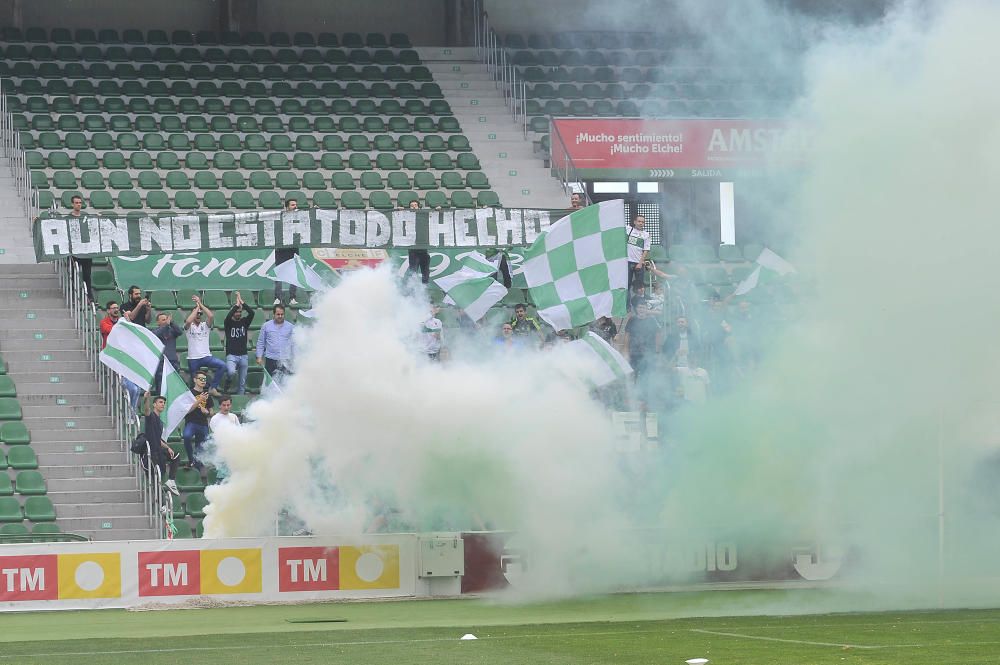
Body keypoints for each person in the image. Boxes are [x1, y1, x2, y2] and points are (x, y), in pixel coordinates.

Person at [100, 300, 141, 410]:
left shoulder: (122, 322)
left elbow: (131, 333)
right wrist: (124, 322)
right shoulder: (104, 322)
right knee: (115, 384)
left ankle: (130, 410)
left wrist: (127, 321)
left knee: (135, 388)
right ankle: (114, 405)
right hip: (110, 357)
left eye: (117, 307)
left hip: (122, 357)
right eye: (113, 308)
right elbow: (112, 331)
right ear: (108, 310)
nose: (116, 309)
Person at [184, 294, 227, 396]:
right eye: (197, 314)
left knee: (222, 365)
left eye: (200, 314)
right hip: (193, 358)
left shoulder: (205, 325)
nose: (199, 315)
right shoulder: (189, 327)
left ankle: (213, 388)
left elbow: (211, 316)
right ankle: (194, 397)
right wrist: (196, 309)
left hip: (206, 356)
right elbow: (189, 320)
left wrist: (200, 304)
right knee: (195, 381)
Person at [142, 392, 179, 496]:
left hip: (159, 450)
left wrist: (168, 448)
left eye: (164, 403)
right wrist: (146, 399)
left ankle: (171, 480)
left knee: (175, 455)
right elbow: (146, 410)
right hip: (151, 453)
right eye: (160, 402)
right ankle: (161, 504)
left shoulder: (160, 421)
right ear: (154, 404)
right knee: (156, 479)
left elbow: (158, 439)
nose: (163, 404)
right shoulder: (151, 416)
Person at [224, 291, 255, 395]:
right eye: (236, 312)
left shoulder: (244, 322)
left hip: (243, 355)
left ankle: (240, 400)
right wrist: (236, 305)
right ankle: (228, 381)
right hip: (231, 355)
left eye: (240, 312)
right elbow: (228, 317)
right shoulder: (228, 323)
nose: (238, 313)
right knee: (231, 372)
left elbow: (252, 313)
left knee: (242, 382)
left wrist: (242, 302)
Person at [182, 371, 214, 470]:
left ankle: (196, 465)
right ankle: (191, 459)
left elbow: (211, 412)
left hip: (203, 423)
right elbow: (187, 411)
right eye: (201, 379)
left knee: (201, 447)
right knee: (187, 437)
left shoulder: (207, 394)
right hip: (191, 422)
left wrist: (207, 412)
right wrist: (199, 400)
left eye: (204, 379)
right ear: (195, 380)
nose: (203, 381)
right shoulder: (189, 394)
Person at [274, 198, 301, 306]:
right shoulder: (280, 217)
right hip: (281, 249)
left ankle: (292, 297)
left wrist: (314, 210)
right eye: (292, 205)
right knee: (279, 273)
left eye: (296, 205)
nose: (295, 206)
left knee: (294, 273)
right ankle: (277, 298)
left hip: (293, 248)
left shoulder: (300, 217)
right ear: (287, 207)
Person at [256, 304, 295, 379]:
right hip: (271, 359)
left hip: (286, 360)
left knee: (285, 383)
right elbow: (261, 342)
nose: (280, 316)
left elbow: (294, 344)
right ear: (273, 314)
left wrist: (294, 358)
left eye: (282, 314)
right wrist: (259, 356)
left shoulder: (290, 327)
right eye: (278, 314)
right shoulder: (266, 326)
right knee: (270, 384)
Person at [624, 303, 661, 379]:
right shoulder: (632, 319)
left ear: (646, 309)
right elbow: (627, 334)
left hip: (649, 351)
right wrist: (626, 349)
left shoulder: (652, 319)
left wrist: (657, 349)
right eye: (639, 307)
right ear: (637, 309)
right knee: (633, 372)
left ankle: (645, 389)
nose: (641, 310)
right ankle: (635, 389)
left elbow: (658, 334)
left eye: (643, 308)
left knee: (647, 373)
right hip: (634, 351)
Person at [68, 195, 94, 302]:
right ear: (72, 204)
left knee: (87, 275)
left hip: (86, 251)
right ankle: (74, 296)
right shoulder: (68, 219)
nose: (79, 204)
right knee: (73, 275)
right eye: (76, 202)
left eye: (80, 202)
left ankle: (89, 297)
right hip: (74, 251)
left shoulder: (86, 218)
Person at [152, 311, 184, 389]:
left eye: (166, 319)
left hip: (173, 361)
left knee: (174, 386)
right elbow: (156, 334)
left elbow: (180, 332)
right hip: (161, 363)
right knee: (161, 385)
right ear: (158, 322)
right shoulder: (154, 331)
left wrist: (172, 322)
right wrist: (166, 325)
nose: (165, 321)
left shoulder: (172, 331)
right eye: (163, 320)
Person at [406, 198, 432, 284]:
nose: (413, 207)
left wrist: (438, 209)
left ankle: (424, 292)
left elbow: (433, 215)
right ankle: (412, 292)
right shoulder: (406, 217)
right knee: (413, 273)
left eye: (415, 205)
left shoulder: (424, 216)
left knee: (426, 273)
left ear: (419, 207)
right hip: (413, 251)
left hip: (424, 250)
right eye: (411, 206)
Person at [626, 214, 651, 296]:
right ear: (635, 222)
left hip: (638, 263)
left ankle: (639, 305)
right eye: (639, 221)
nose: (641, 223)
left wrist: (640, 263)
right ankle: (627, 306)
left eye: (643, 222)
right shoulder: (628, 229)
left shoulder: (646, 235)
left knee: (640, 287)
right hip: (627, 262)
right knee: (627, 285)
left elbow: (646, 250)